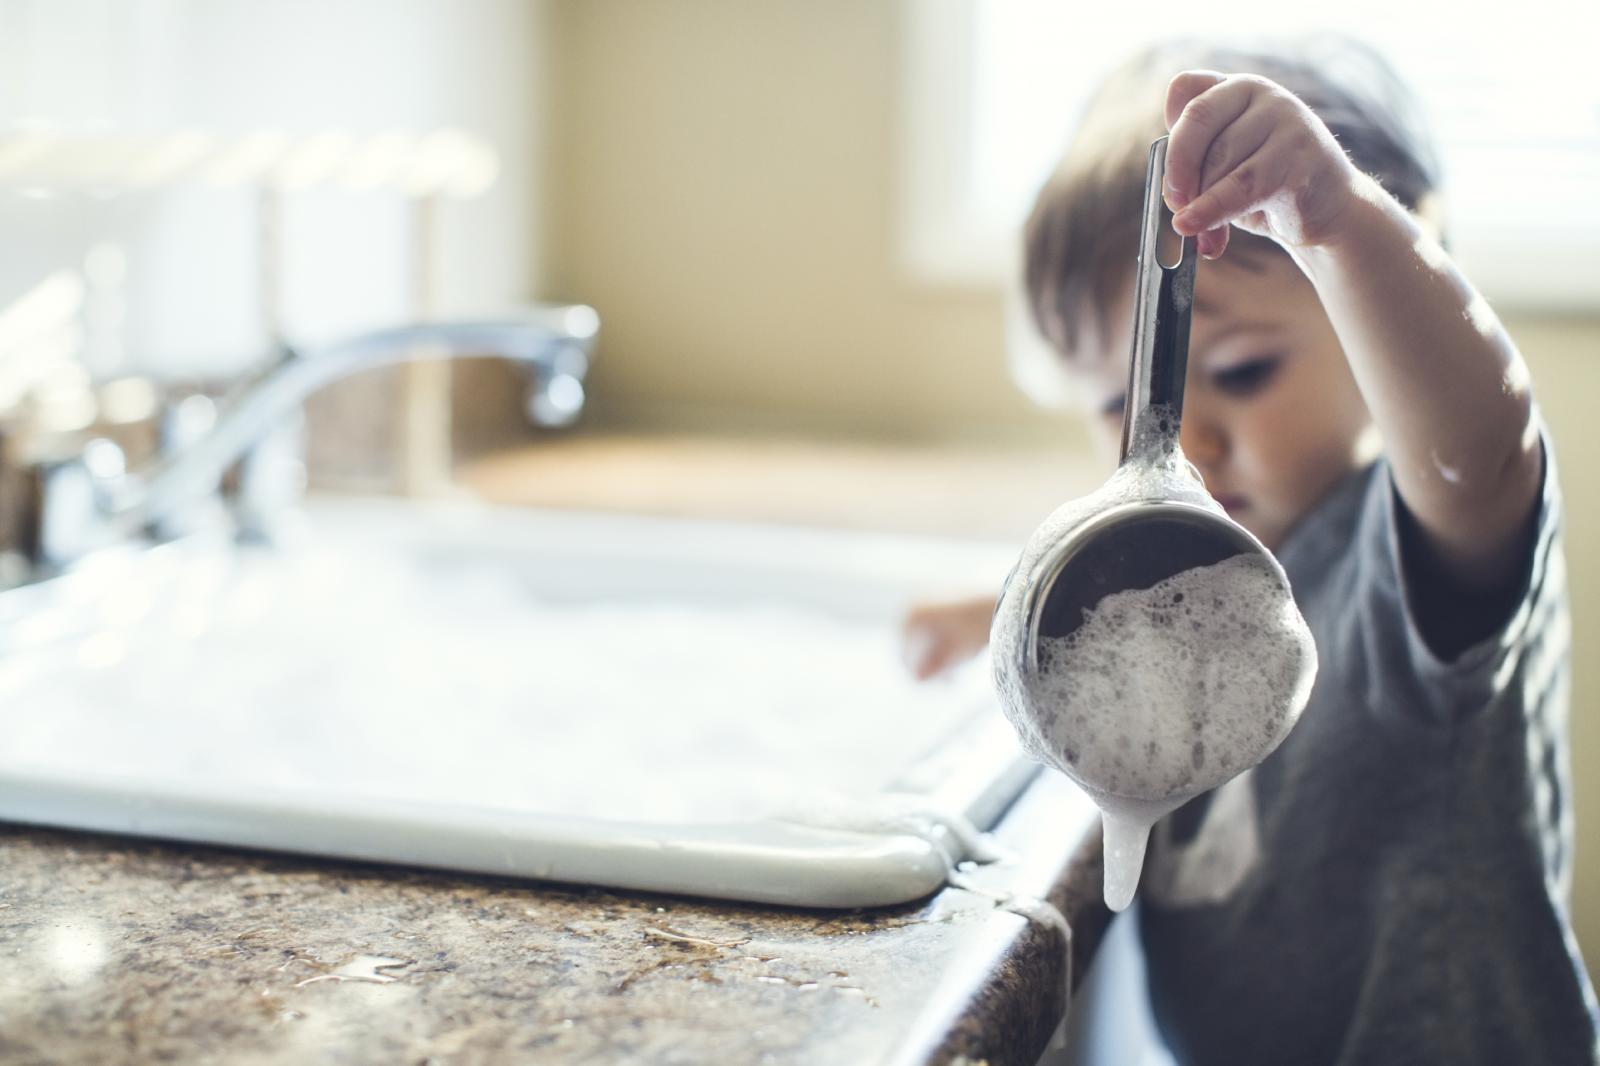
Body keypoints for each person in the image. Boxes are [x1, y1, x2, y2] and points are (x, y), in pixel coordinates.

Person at [902, 37, 1600, 1064]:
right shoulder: (1198, 575)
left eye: (1245, 368)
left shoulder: (1411, 561)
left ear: (1371, 336)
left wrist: (1345, 231)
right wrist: (992, 611)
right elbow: (1121, 606)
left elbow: (1479, 455)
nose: (1186, 437)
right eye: (1118, 400)